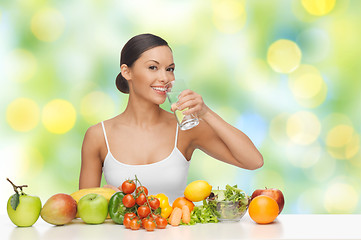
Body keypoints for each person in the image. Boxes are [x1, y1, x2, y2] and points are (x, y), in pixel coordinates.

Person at [79, 33, 263, 202]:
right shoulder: (98, 135)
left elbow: (254, 161)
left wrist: (206, 112)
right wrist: (111, 199)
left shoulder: (186, 127)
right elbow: (84, 208)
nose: (165, 78)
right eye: (153, 67)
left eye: (170, 69)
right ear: (127, 72)